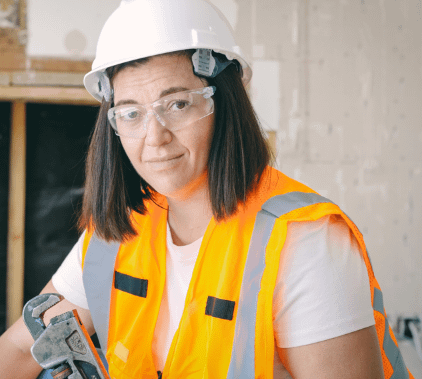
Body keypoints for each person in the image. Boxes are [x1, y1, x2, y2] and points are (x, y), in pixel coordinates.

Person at [0, 0, 414, 378]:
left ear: (226, 103)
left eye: (178, 104)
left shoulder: (304, 242)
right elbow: (23, 346)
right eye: (130, 113)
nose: (154, 137)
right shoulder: (121, 232)